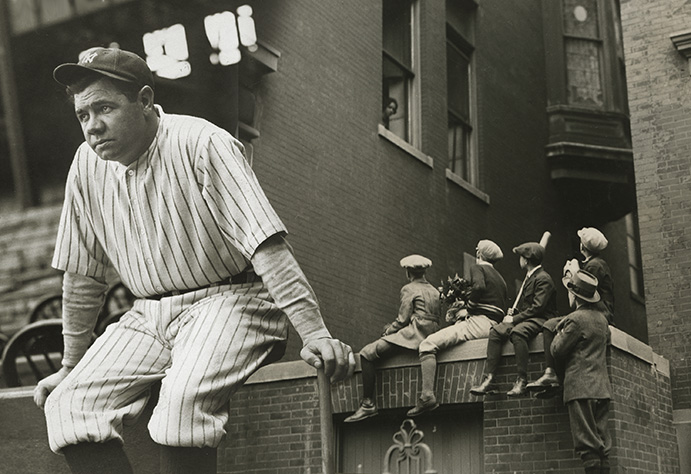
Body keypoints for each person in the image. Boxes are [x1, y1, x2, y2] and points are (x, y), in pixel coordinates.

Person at [33, 47, 355, 474]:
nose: (93, 126)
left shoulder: (203, 142)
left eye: (105, 108)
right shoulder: (86, 165)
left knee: (182, 403)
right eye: (83, 115)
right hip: (148, 314)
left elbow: (266, 245)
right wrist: (70, 366)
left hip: (231, 300)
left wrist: (314, 333)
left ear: (145, 101)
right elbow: (82, 274)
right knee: (70, 404)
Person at [406, 240, 508, 416]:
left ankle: (427, 396)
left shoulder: (478, 268)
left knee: (427, 345)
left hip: (478, 323)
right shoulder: (501, 279)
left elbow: (479, 287)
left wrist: (468, 307)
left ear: (479, 254)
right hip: (493, 326)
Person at [344, 255, 441, 422]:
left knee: (367, 353)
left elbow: (403, 319)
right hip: (431, 335)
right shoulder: (435, 291)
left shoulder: (408, 289)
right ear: (424, 271)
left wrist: (388, 331)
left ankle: (367, 404)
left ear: (408, 272)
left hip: (414, 334)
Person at [527, 227, 614, 397]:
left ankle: (552, 375)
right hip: (597, 312)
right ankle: (553, 377)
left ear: (583, 247)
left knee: (550, 325)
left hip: (595, 313)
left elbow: (574, 301)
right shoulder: (596, 264)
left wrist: (569, 274)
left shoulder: (593, 267)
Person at [470, 241, 558, 397]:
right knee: (496, 331)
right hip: (528, 317)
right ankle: (490, 379)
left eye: (521, 257)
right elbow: (527, 306)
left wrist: (514, 318)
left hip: (541, 319)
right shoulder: (530, 277)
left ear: (526, 260)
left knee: (518, 332)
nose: (519, 260)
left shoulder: (543, 278)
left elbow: (538, 308)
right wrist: (514, 311)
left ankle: (522, 380)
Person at [551, 269, 612, 474]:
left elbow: (557, 350)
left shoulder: (575, 320)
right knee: (602, 446)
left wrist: (559, 329)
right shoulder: (602, 320)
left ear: (575, 295)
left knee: (588, 448)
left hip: (580, 388)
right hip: (602, 389)